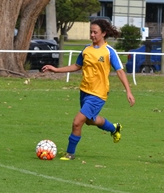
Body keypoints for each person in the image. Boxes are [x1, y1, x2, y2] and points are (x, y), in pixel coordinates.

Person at [41, 19, 135, 160]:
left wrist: (128, 91)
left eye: (95, 32)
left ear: (103, 33)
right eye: (91, 32)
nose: (92, 35)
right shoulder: (86, 49)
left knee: (77, 122)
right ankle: (114, 128)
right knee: (90, 121)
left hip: (98, 94)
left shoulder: (109, 52)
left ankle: (70, 153)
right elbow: (76, 66)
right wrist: (56, 70)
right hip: (84, 91)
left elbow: (120, 71)